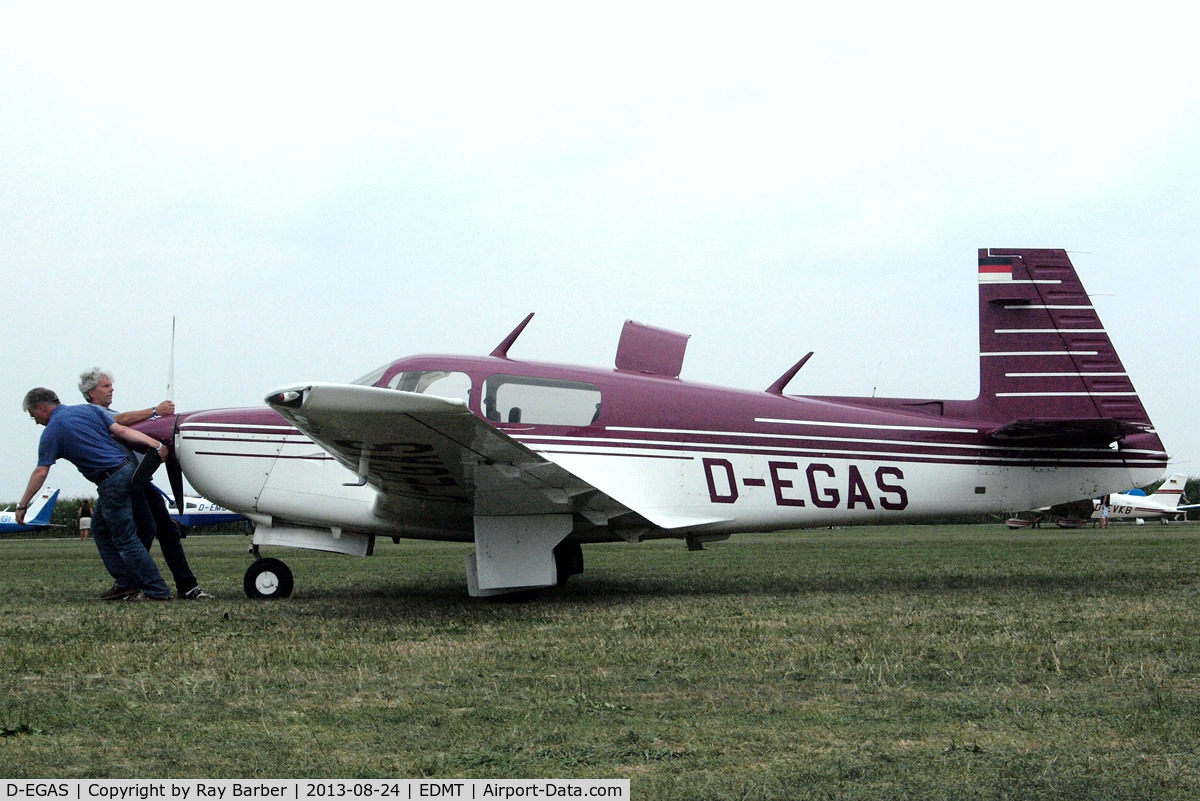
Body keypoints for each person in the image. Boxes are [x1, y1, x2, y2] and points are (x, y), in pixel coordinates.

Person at [18, 387, 172, 600]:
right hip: (129, 470)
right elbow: (122, 431)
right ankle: (125, 582)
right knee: (99, 528)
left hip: (111, 480)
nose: (35, 421)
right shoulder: (89, 410)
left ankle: (157, 590)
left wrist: (23, 504)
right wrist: (155, 445)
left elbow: (41, 472)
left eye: (33, 415)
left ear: (42, 407)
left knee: (125, 539)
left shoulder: (52, 431)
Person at [79, 368, 213, 600]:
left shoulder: (108, 412)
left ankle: (183, 585)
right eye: (106, 386)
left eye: (111, 385)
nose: (112, 389)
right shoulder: (95, 413)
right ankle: (135, 583)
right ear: (91, 392)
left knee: (166, 530)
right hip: (128, 482)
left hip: (139, 479)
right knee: (141, 530)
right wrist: (155, 412)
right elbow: (121, 421)